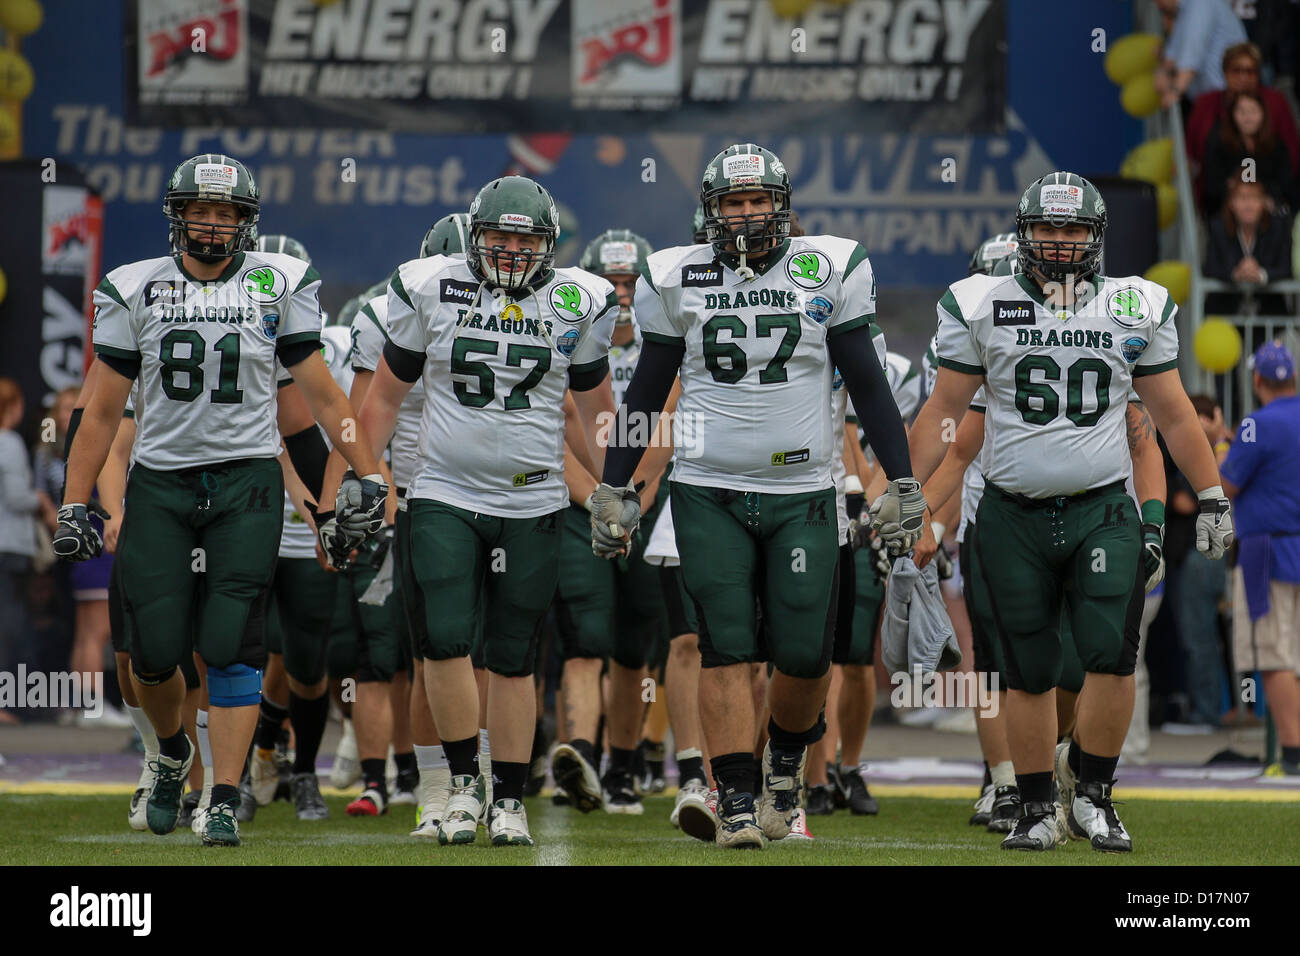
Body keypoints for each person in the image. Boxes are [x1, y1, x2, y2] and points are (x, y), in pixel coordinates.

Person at [592, 143, 922, 849]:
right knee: (725, 648)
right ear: (711, 213)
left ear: (782, 205)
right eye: (733, 204)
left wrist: (900, 478)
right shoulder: (676, 277)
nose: (746, 216)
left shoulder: (827, 267)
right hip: (709, 488)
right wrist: (616, 484)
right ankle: (736, 797)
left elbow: (868, 382)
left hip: (803, 489)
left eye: (757, 201)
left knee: (806, 657)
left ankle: (782, 769)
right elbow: (647, 392)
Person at [56, 154, 387, 847]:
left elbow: (323, 397)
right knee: (153, 651)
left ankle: (225, 795)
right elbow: (102, 408)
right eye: (201, 212)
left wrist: (368, 474)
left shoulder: (280, 282)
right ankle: (173, 751)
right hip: (162, 480)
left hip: (244, 481)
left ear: (247, 222)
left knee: (232, 642)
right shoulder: (134, 286)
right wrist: (74, 501)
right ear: (177, 216)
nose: (212, 225)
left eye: (226, 213)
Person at [909, 171, 1234, 852]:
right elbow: (944, 414)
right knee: (1026, 669)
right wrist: (903, 490)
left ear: (1095, 237)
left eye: (1073, 229)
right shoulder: (981, 302)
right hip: (1010, 511)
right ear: (1025, 235)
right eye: (1048, 229)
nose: (1060, 243)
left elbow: (1171, 416)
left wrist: (1209, 492)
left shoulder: (1132, 304)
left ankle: (1095, 795)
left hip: (1100, 508)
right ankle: (1033, 805)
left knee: (1110, 657)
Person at [348, 176, 619, 847]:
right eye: (498, 235)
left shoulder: (580, 300)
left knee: (513, 656)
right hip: (443, 488)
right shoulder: (431, 285)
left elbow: (593, 410)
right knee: (443, 640)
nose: (510, 250)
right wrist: (360, 475)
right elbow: (382, 399)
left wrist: (615, 485)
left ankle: (510, 798)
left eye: (525, 239)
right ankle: (465, 785)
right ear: (475, 236)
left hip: (535, 496)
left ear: (549, 245)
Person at [549, 228, 673, 816]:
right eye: (612, 282)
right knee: (584, 643)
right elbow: (560, 430)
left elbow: (666, 430)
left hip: (644, 502)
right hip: (582, 505)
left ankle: (622, 768)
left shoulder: (665, 337)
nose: (621, 293)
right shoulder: (567, 329)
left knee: (634, 650)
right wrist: (595, 500)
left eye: (630, 282)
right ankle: (579, 755)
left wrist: (631, 504)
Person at [1220, 341, 1300, 776]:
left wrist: (1218, 446)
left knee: (1273, 656)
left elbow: (1228, 483)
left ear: (1257, 380)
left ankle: (1292, 754)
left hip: (1269, 548)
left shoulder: (1256, 423)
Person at [1186, 42, 1300, 182]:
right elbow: (1190, 151)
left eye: (1250, 71)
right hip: (1214, 189)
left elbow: (1291, 149)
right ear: (1225, 72)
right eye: (1236, 70)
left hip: (1268, 190)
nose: (1243, 77)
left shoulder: (1275, 102)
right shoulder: (1205, 103)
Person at [0, 378, 49, 697]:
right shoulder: (11, 444)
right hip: (9, 543)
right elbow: (17, 498)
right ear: (13, 407)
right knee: (9, 621)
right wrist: (42, 500)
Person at [1200, 90, 1300, 217]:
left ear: (1263, 114)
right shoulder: (1219, 144)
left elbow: (1287, 185)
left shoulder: (1276, 145)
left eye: (1253, 111)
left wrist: (1260, 197)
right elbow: (1212, 189)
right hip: (1228, 215)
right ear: (1232, 115)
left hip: (1269, 213)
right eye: (1242, 112)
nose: (1247, 118)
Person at [1204, 178, 1294, 316]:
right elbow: (1209, 267)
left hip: (1270, 317)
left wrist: (1261, 274)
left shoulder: (1277, 228)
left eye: (1254, 197)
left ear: (1264, 203)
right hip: (1225, 316)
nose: (1248, 204)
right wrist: (1236, 273)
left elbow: (1286, 267)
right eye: (1242, 197)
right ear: (1231, 203)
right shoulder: (1218, 228)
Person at [1155, 0, 1248, 107]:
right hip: (1212, 101)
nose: (1157, 5)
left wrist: (1174, 92)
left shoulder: (1200, 4)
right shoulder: (1184, 10)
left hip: (1226, 101)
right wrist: (1162, 71)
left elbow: (1190, 60)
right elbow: (1172, 56)